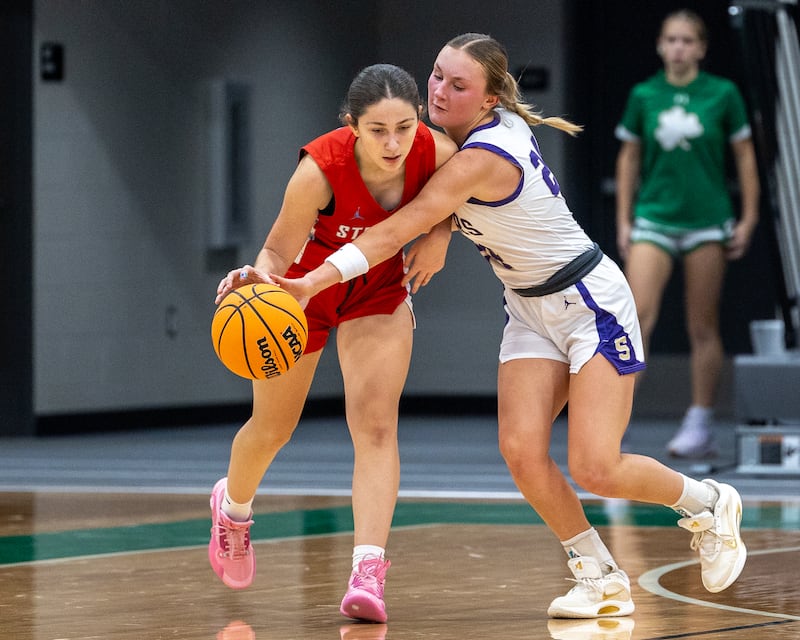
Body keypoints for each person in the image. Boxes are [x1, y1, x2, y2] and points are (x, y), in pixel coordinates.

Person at [256, 33, 747, 619]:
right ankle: (597, 575)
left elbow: (403, 223)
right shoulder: (443, 142)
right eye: (436, 75)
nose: (438, 90)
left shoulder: (485, 154)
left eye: (457, 85)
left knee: (597, 466)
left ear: (489, 102)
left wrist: (312, 282)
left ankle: (708, 503)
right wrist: (439, 237)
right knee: (520, 451)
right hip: (527, 306)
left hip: (589, 300)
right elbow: (433, 205)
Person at [209, 63, 457, 624]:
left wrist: (440, 236)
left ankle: (368, 569)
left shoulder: (436, 151)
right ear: (352, 126)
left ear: (419, 118)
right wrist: (258, 276)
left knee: (374, 426)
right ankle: (233, 510)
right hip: (302, 292)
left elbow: (457, 201)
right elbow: (276, 252)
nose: (394, 143)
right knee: (273, 429)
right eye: (377, 131)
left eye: (403, 127)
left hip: (379, 289)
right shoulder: (320, 170)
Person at [615, 9, 760, 458]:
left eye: (686, 40)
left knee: (703, 323)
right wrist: (625, 219)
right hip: (654, 218)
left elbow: (745, 157)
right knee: (635, 315)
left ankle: (700, 423)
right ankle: (614, 420)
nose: (678, 47)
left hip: (707, 220)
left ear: (700, 47)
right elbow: (629, 159)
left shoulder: (723, 93)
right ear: (660, 45)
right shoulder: (644, 94)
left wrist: (748, 217)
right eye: (670, 39)